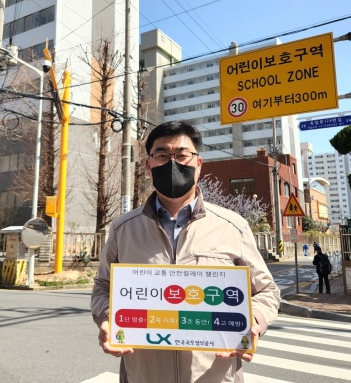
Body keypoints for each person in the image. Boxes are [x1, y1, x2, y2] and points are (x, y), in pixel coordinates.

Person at [91, 121, 280, 383]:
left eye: (181, 155)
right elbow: (103, 286)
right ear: (148, 166)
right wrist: (108, 319)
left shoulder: (233, 226)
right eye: (162, 156)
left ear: (198, 165)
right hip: (143, 376)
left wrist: (254, 322)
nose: (172, 163)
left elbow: (266, 291)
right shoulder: (123, 228)